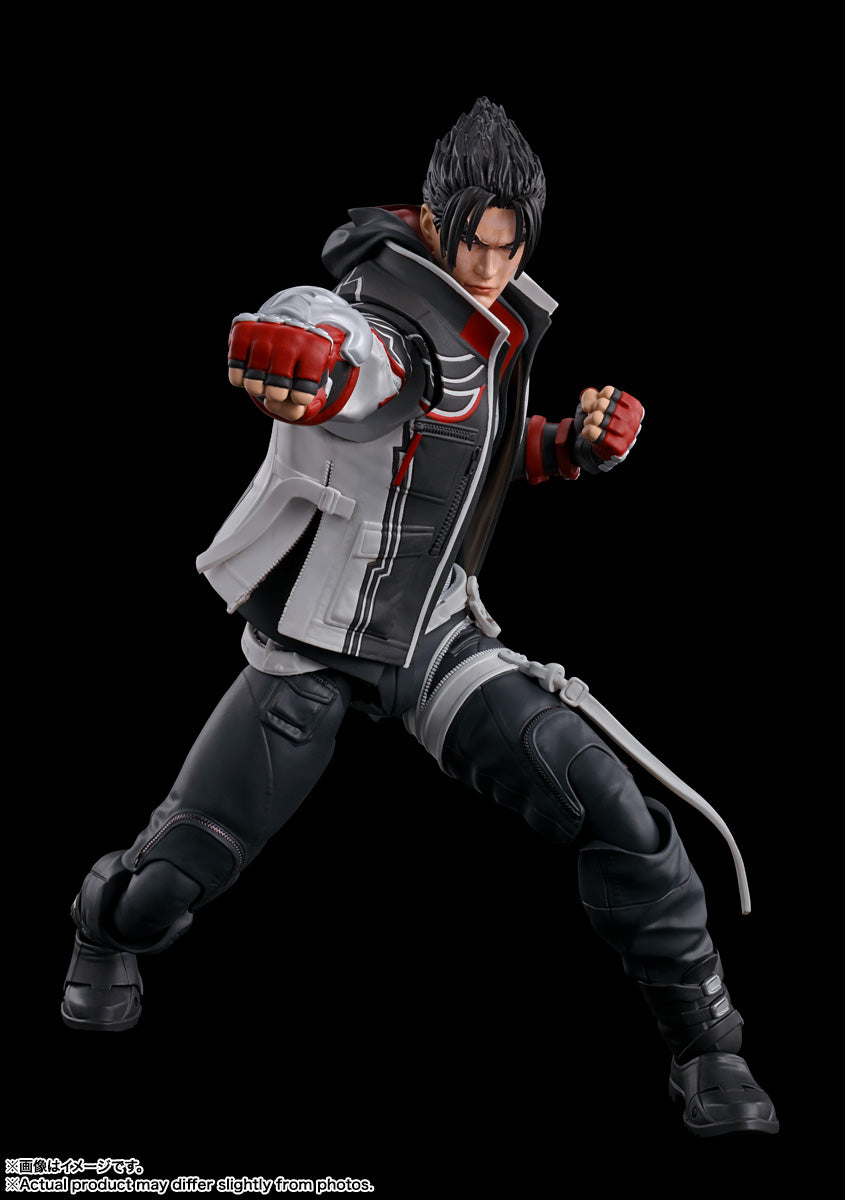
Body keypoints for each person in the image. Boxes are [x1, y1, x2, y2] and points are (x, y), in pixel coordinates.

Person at [61, 98, 777, 1139]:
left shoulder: (490, 325)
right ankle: (99, 927)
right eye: (475, 240)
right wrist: (301, 346)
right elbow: (342, 344)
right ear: (436, 221)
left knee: (611, 805)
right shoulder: (388, 312)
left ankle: (707, 1046)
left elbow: (464, 462)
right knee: (175, 876)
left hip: (436, 635)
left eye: (510, 245)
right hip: (319, 644)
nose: (489, 265)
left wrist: (567, 448)